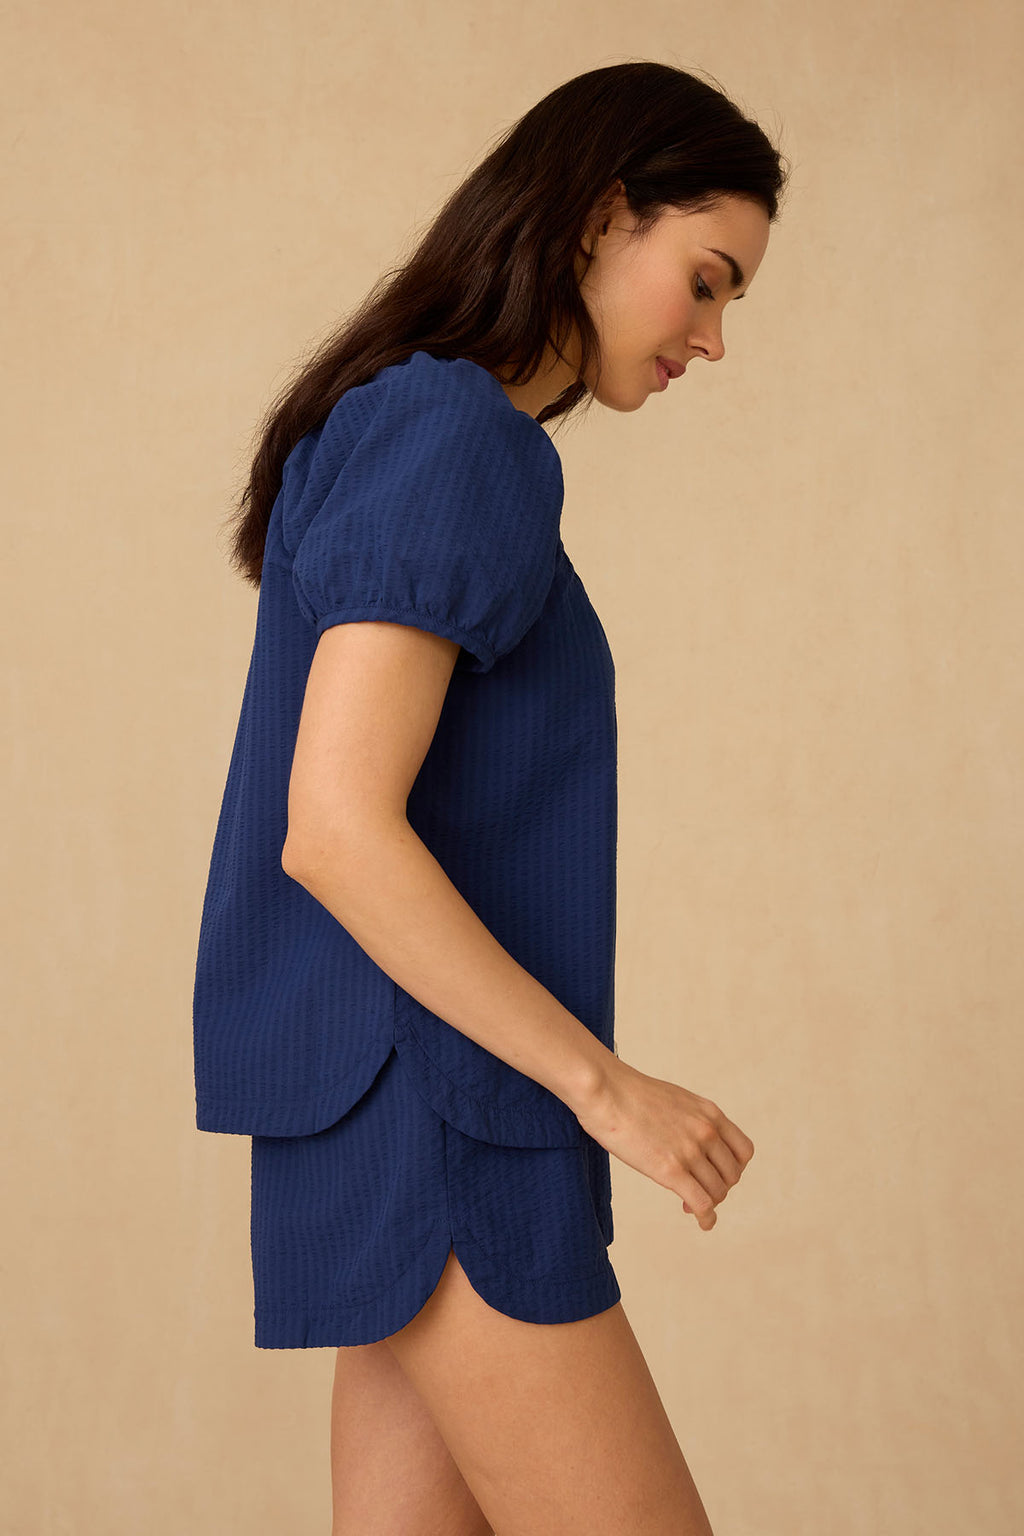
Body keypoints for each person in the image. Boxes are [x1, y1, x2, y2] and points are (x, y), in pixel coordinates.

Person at [192, 58, 788, 1536]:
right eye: (704, 281)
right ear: (599, 219)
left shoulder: (402, 419)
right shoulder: (460, 436)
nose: (712, 339)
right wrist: (612, 1092)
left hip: (391, 1106)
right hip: (450, 1117)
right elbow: (333, 823)